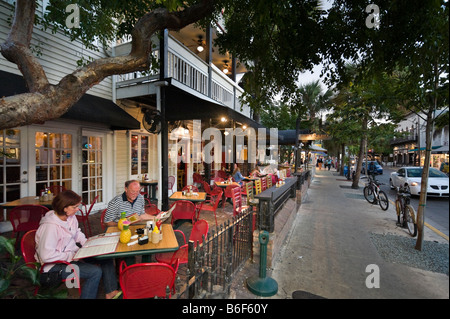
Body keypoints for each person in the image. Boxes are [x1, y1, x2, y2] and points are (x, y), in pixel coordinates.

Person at [35, 190, 121, 299]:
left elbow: (77, 233)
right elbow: (46, 256)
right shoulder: (50, 227)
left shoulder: (70, 217)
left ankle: (110, 292)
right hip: (53, 266)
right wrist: (72, 255)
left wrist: (87, 244)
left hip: (73, 255)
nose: (78, 209)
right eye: (74, 207)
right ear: (64, 208)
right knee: (94, 272)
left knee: (105, 257)